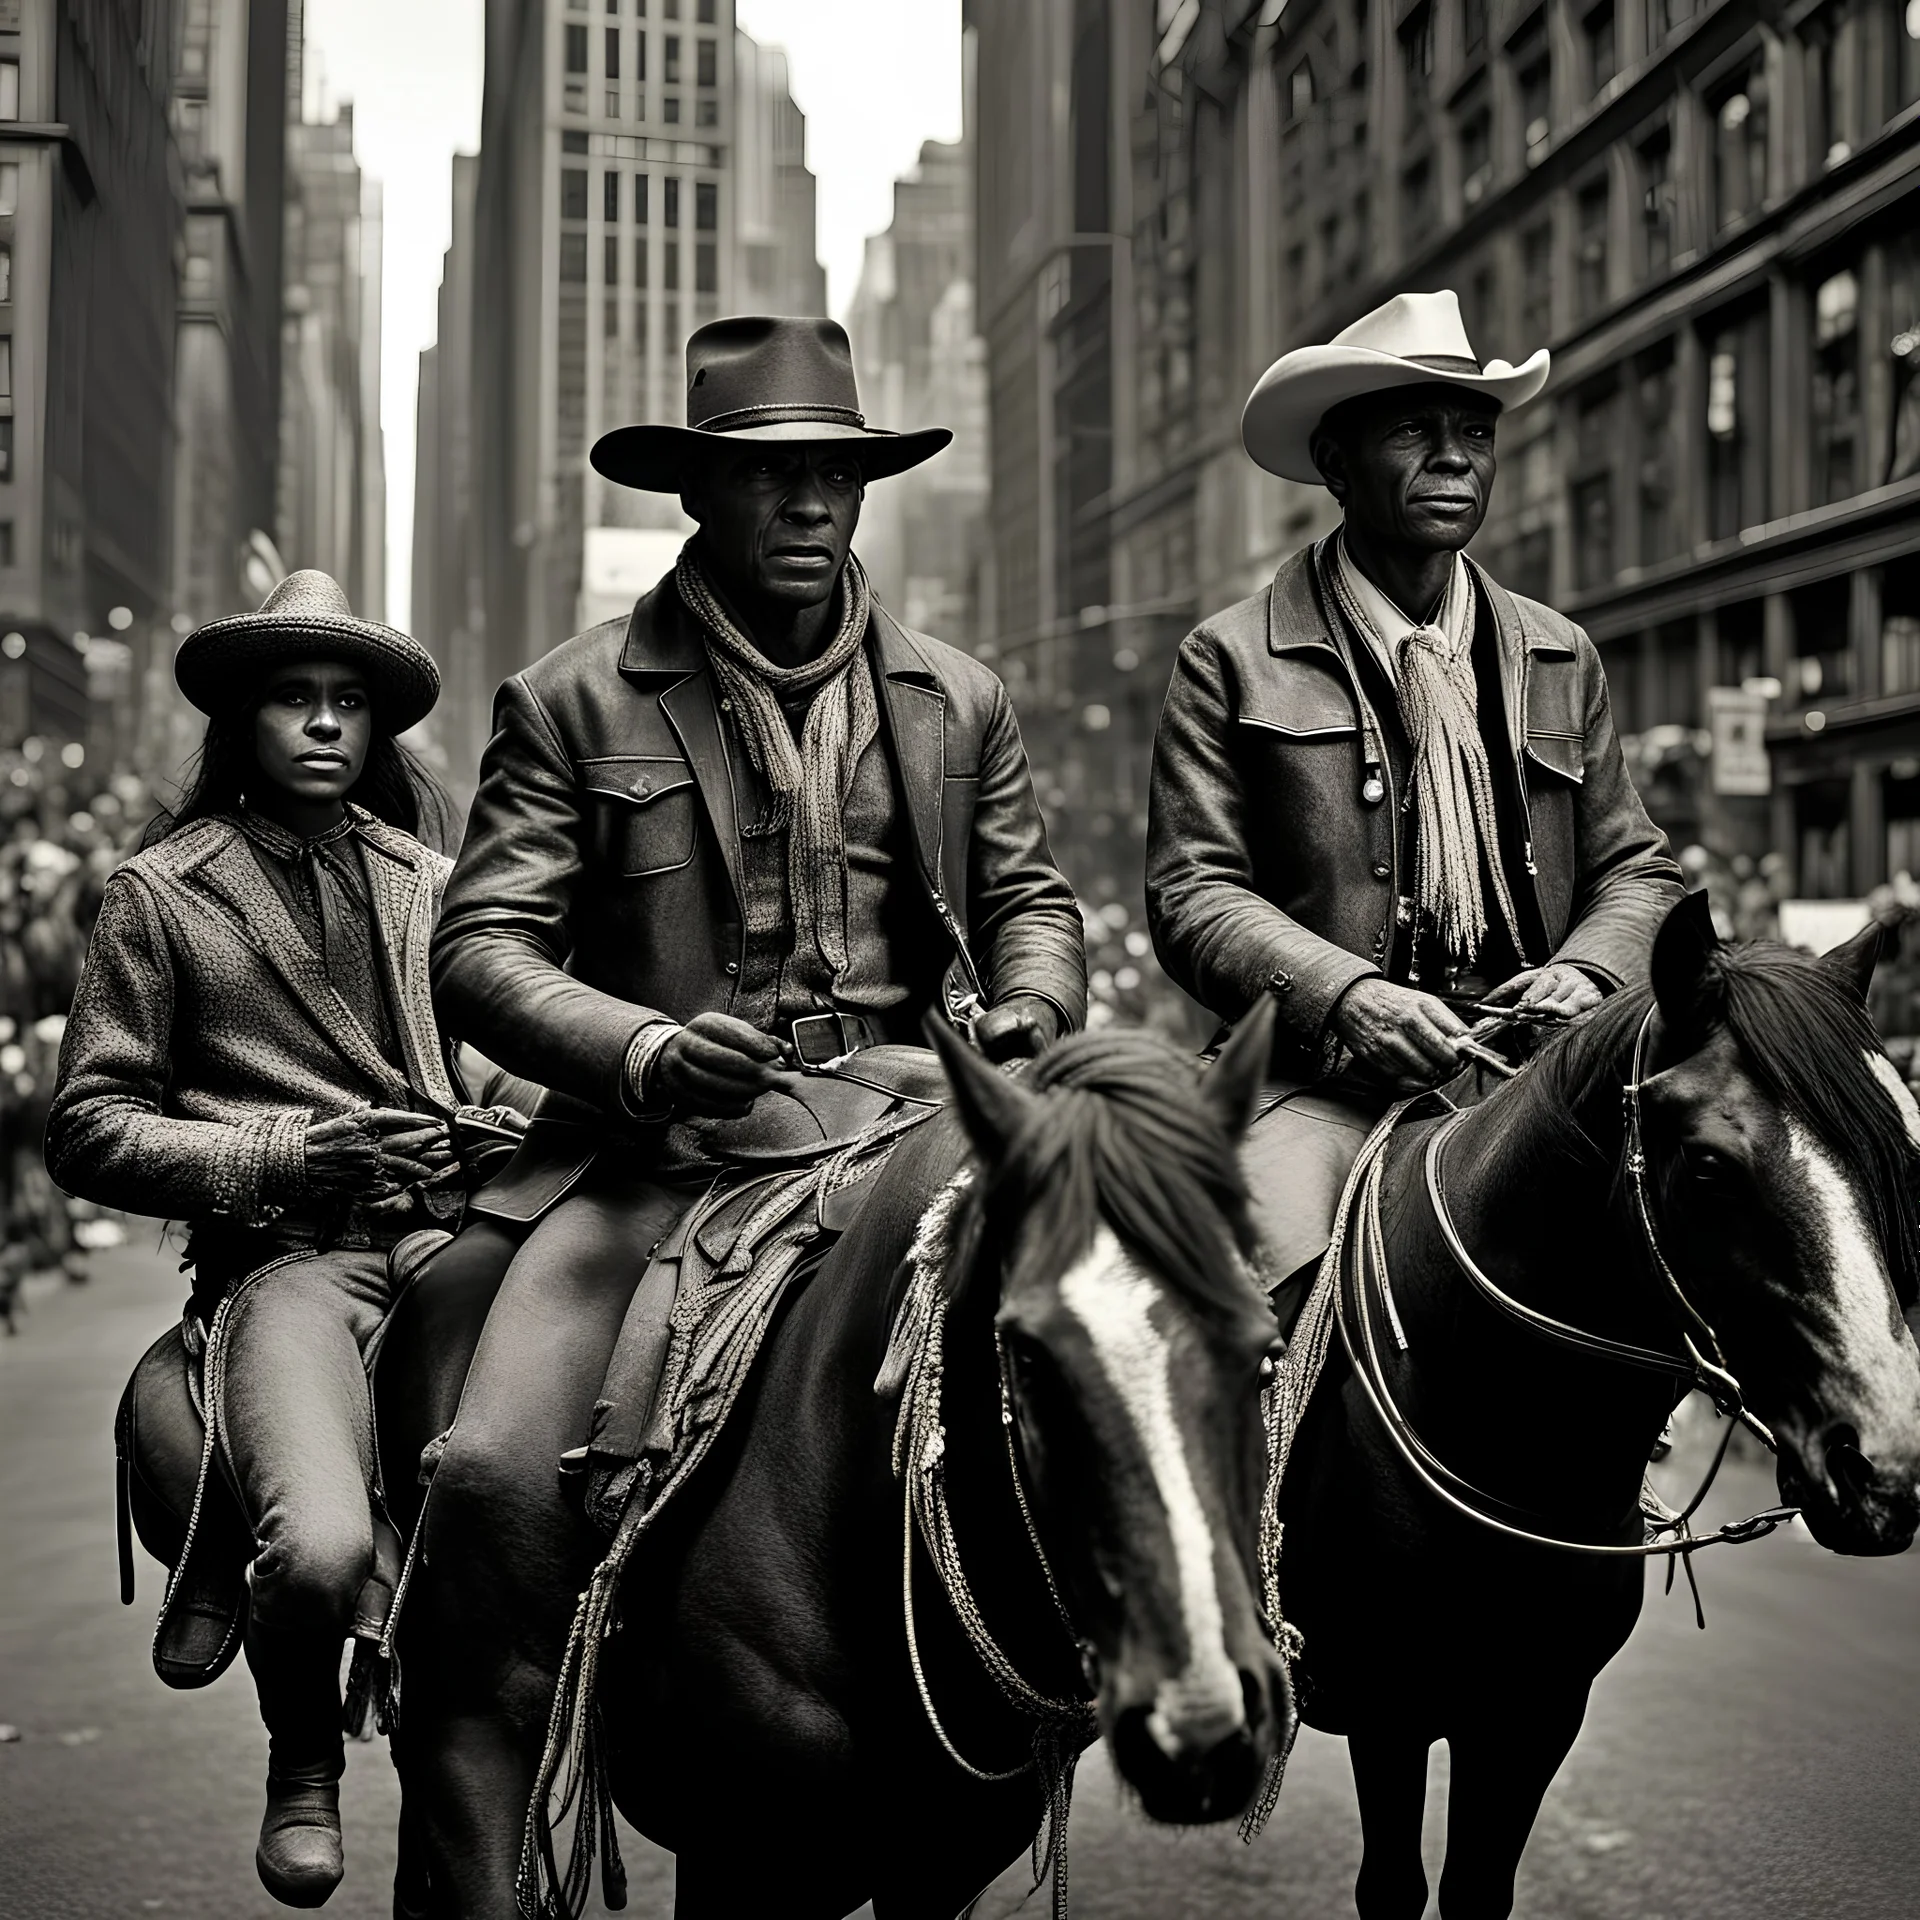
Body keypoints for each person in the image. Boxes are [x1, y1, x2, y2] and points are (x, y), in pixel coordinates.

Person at [401, 314, 1085, 1852]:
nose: (810, 506)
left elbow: (1034, 901)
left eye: (836, 475)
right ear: (699, 494)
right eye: (770, 478)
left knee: (1113, 1368)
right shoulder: (574, 698)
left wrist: (1032, 1012)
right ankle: (482, 1736)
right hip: (661, 1159)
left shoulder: (955, 698)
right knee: (504, 1467)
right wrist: (641, 1047)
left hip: (909, 1120)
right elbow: (484, 949)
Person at [45, 572, 462, 1907]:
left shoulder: (436, 884)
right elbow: (90, 1128)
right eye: (295, 697)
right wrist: (280, 1155)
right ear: (241, 716)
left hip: (461, 1249)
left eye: (348, 702)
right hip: (288, 1266)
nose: (326, 725)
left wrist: (498, 1128)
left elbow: (500, 1065)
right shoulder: (157, 896)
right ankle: (302, 1756)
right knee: (324, 1546)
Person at [1146, 290, 1684, 1284]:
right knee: (1258, 1291)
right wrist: (1346, 997)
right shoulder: (1228, 658)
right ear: (1336, 465)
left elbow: (1640, 869)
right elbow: (1192, 892)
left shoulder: (1560, 653)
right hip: (1319, 1082)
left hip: (1536, 1075)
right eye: (1415, 431)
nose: (1455, 457)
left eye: (1475, 432)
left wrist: (1589, 975)